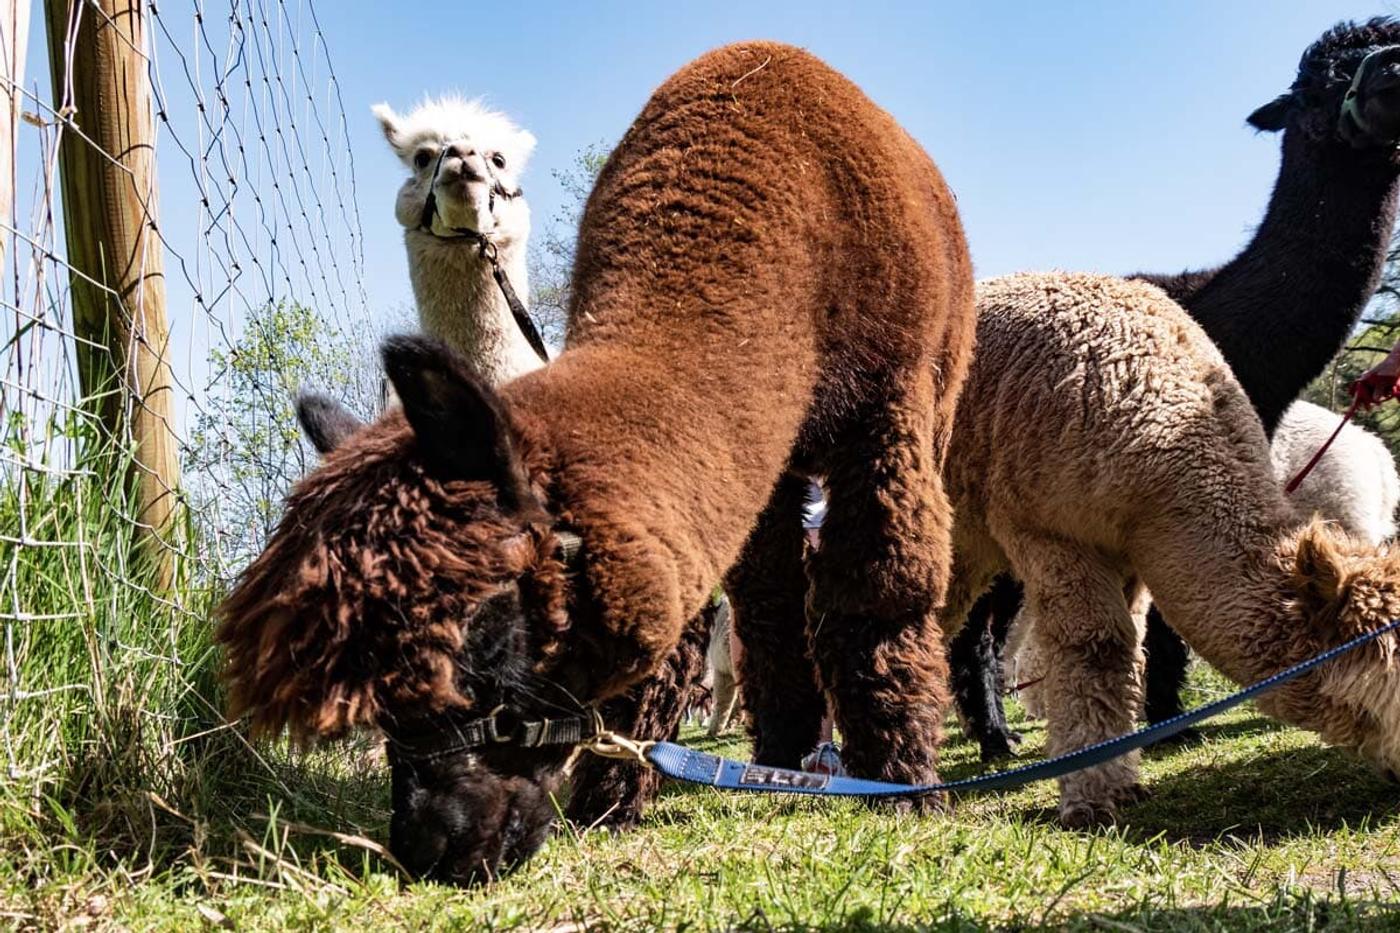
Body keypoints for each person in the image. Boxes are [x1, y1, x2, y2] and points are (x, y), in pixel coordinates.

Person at [1352, 341, 1400, 408]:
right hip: (1389, 372)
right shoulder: (1390, 383)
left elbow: (1380, 366)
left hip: (1388, 368)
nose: (1379, 395)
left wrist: (1367, 374)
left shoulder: (1377, 377)